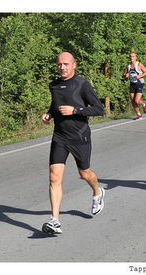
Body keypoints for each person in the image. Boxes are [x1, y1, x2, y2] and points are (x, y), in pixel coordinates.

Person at [41, 52, 106, 234]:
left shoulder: (82, 84)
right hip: (60, 136)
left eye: (66, 64)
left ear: (74, 65)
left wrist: (75, 110)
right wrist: (50, 114)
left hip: (80, 136)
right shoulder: (53, 85)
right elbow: (56, 104)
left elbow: (99, 109)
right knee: (54, 177)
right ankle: (55, 221)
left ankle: (97, 192)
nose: (62, 67)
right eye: (60, 64)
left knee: (85, 174)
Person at [123, 52, 146, 120]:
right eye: (130, 56)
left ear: (136, 57)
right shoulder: (128, 66)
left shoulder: (139, 65)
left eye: (133, 56)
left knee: (137, 100)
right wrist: (126, 75)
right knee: (132, 100)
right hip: (132, 84)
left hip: (140, 83)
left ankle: (144, 103)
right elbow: (124, 74)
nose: (131, 58)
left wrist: (140, 76)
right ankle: (138, 114)